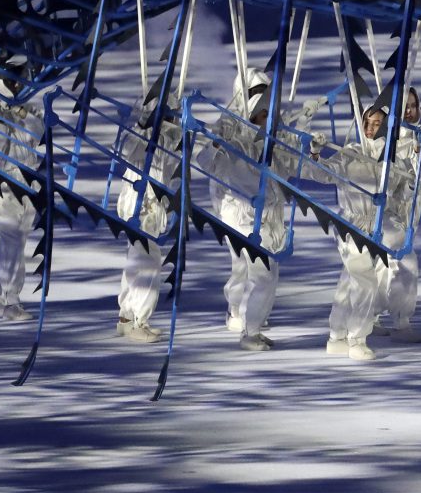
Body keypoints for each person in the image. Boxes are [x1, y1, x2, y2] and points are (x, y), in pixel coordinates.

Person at [199, 69, 303, 352]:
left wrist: (304, 150)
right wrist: (219, 144)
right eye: (257, 102)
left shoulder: (276, 132)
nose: (263, 111)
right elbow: (206, 160)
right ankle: (249, 328)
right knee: (260, 270)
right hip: (239, 212)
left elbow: (290, 167)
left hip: (268, 214)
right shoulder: (230, 127)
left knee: (254, 269)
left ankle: (244, 315)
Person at [322, 105, 414, 361]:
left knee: (348, 281)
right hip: (351, 227)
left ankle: (336, 335)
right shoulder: (350, 153)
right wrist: (315, 153)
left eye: (377, 124)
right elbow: (321, 173)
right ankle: (356, 339)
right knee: (364, 280)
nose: (371, 128)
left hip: (376, 226)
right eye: (368, 122)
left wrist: (410, 182)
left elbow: (400, 195)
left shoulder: (391, 158)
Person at [114, 105, 183, 342]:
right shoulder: (140, 135)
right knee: (149, 263)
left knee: (137, 260)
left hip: (152, 210)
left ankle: (126, 317)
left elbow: (173, 168)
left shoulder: (168, 140)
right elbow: (124, 150)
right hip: (138, 207)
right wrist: (143, 128)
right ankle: (139, 321)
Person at [0, 78, 42, 322]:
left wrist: (24, 114)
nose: (18, 87)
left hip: (28, 184)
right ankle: (11, 301)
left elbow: (40, 133)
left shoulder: (31, 110)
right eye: (13, 84)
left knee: (14, 242)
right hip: (3, 185)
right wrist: (6, 119)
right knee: (13, 241)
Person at [371, 87, 421, 343]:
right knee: (405, 262)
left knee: (384, 266)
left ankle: (370, 315)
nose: (410, 111)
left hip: (408, 214)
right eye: (405, 106)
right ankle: (401, 322)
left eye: (413, 106)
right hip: (386, 213)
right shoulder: (387, 139)